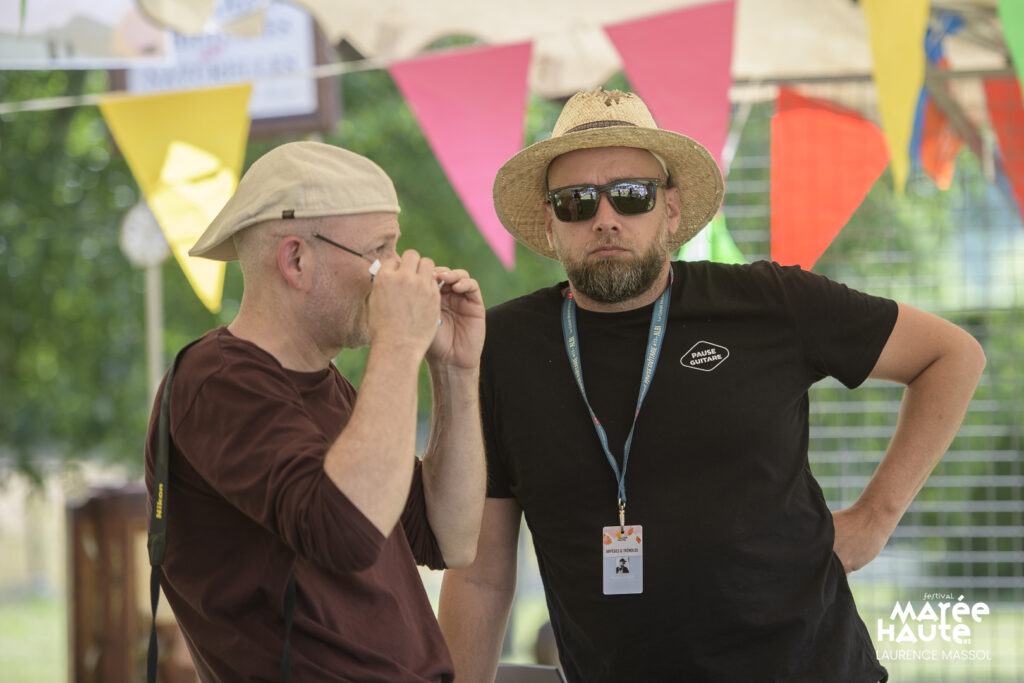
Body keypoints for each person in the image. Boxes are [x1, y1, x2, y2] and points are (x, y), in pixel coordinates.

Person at [438, 89, 986, 682]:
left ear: (670, 209)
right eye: (576, 202)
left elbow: (952, 355)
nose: (605, 218)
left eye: (632, 194)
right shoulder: (500, 347)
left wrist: (875, 518)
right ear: (550, 223)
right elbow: (480, 574)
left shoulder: (767, 302)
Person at [144, 140, 486, 682]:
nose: (399, 271)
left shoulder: (330, 386)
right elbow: (347, 532)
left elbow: (451, 537)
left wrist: (454, 371)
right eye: (380, 251)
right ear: (296, 260)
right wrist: (399, 342)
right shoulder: (217, 381)